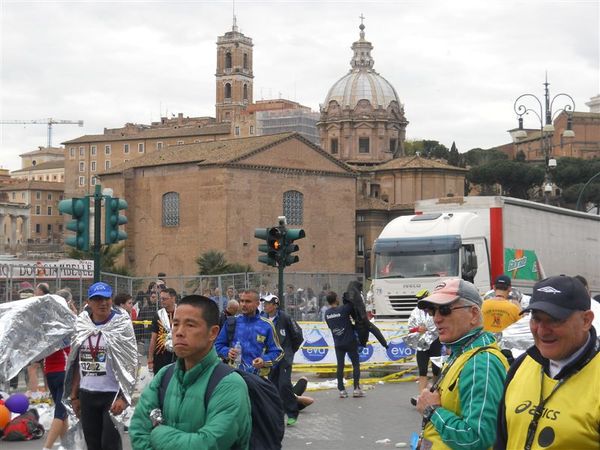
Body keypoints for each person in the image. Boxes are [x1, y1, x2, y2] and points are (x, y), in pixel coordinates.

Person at [129, 295, 252, 450]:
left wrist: (158, 434)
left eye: (190, 325)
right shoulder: (165, 375)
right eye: (175, 324)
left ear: (213, 333)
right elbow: (138, 430)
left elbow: (207, 444)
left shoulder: (229, 384)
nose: (179, 332)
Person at [495, 275, 599, 450]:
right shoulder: (522, 364)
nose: (542, 331)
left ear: (586, 320)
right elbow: (502, 440)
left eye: (555, 319)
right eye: (536, 318)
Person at [415, 278, 509, 450]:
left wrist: (432, 410)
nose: (436, 319)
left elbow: (476, 438)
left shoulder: (481, 362)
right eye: (432, 311)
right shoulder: (460, 352)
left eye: (444, 310)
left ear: (473, 314)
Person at [64, 281, 138, 450]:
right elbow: (76, 362)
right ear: (89, 302)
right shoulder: (82, 324)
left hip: (111, 395)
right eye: (97, 299)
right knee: (93, 445)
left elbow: (131, 363)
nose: (103, 303)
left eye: (106, 298)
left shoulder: (121, 325)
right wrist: (74, 396)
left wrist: (124, 396)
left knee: (110, 444)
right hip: (87, 394)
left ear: (111, 300)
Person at [215, 289, 283, 377]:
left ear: (257, 304)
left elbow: (278, 352)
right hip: (234, 376)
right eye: (242, 301)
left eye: (248, 301)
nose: (243, 304)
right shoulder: (231, 322)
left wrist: (264, 360)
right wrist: (227, 352)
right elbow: (217, 346)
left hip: (258, 378)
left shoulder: (267, 325)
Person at [261, 294, 304, 426]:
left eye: (268, 303)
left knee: (284, 384)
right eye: (264, 303)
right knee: (273, 386)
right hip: (271, 358)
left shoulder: (285, 317)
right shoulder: (263, 318)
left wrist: (290, 351)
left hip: (284, 358)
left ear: (275, 305)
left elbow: (298, 335)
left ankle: (292, 413)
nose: (265, 306)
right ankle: (277, 414)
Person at [324, 291, 364, 398]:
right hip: (350, 341)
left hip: (338, 343)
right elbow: (352, 304)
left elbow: (330, 327)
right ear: (336, 299)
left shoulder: (327, 313)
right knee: (355, 364)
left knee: (340, 366)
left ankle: (341, 390)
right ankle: (356, 389)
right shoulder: (343, 309)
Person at [407, 289, 441, 407]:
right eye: (418, 301)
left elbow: (441, 325)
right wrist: (418, 329)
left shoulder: (436, 310)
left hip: (436, 342)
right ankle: (422, 397)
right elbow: (410, 328)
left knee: (437, 370)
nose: (420, 304)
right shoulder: (415, 312)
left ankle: (437, 393)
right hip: (421, 344)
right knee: (422, 371)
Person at [148, 287, 177, 375]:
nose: (161, 301)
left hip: (178, 355)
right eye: (160, 298)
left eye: (164, 299)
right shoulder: (158, 315)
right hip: (161, 355)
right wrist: (150, 359)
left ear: (173, 298)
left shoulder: (181, 313)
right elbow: (153, 338)